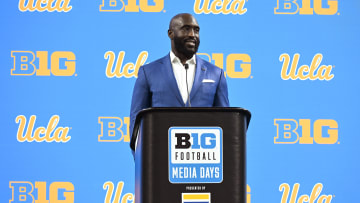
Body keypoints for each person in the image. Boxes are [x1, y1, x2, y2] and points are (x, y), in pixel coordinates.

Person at [130, 13, 229, 148]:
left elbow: (226, 122)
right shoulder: (148, 72)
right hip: (159, 157)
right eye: (186, 29)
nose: (192, 35)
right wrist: (141, 159)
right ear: (171, 33)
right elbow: (137, 120)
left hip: (203, 159)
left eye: (196, 30)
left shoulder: (216, 73)